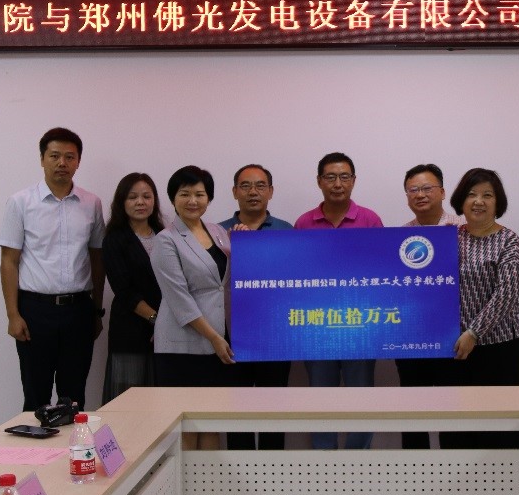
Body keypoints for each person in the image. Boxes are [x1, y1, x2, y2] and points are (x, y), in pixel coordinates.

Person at [0, 127, 105, 412]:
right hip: (35, 311)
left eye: (70, 157)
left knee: (74, 398)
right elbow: (9, 261)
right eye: (55, 156)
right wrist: (13, 314)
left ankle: (71, 443)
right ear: (42, 159)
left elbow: (97, 259)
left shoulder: (92, 204)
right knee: (36, 398)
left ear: (78, 161)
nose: (62, 163)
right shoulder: (21, 202)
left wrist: (96, 311)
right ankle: (34, 443)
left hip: (78, 311)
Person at [294, 152, 384, 450]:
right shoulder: (304, 222)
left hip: (361, 327)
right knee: (321, 400)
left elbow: (382, 273)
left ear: (354, 181)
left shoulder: (370, 220)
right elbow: (295, 276)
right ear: (319, 181)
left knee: (362, 400)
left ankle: (357, 460)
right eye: (330, 177)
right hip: (317, 328)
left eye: (344, 177)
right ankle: (325, 462)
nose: (337, 184)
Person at [151, 166, 236, 448]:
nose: (192, 200)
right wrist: (214, 337)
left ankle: (208, 479)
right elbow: (179, 299)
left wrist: (245, 239)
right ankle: (184, 479)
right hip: (183, 345)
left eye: (199, 194)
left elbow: (228, 280)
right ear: (172, 198)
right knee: (186, 424)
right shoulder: (165, 240)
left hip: (219, 340)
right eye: (184, 194)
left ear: (208, 198)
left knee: (212, 421)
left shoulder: (218, 232)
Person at [442, 168, 519, 449]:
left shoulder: (509, 240)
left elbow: (507, 294)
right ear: (461, 201)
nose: (478, 201)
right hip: (454, 348)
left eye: (487, 195)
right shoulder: (449, 238)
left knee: (497, 427)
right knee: (456, 427)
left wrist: (474, 332)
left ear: (497, 202)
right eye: (472, 194)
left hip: (498, 349)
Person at [220, 164, 294, 450]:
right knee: (236, 408)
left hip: (276, 335)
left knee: (274, 409)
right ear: (234, 191)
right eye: (246, 185)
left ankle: (273, 470)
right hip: (231, 335)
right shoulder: (216, 232)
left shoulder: (287, 230)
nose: (253, 192)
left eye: (260, 185)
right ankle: (239, 471)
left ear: (271, 191)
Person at [395, 163, 463, 449]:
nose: (420, 195)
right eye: (413, 190)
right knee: (413, 410)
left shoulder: (462, 229)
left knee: (453, 410)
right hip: (412, 337)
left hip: (453, 337)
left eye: (427, 188)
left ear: (443, 192)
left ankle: (454, 470)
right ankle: (415, 469)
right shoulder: (399, 236)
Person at [101, 172, 164, 404]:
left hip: (167, 333)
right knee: (128, 403)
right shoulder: (114, 239)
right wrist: (158, 320)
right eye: (132, 197)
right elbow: (124, 290)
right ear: (122, 202)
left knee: (162, 401)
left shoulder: (166, 236)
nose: (140, 202)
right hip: (130, 330)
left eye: (146, 196)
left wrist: (167, 325)